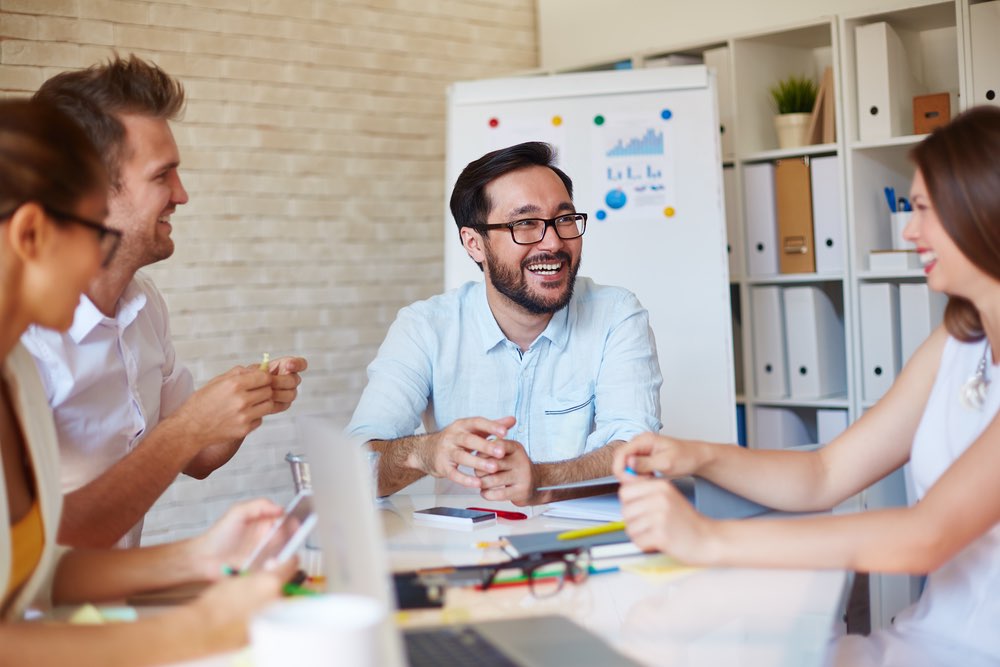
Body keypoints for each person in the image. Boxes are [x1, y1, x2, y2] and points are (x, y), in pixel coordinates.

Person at [613, 106, 1000, 666]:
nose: (909, 229)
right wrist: (697, 456)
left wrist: (708, 540)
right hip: (921, 641)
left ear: (983, 207)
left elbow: (928, 536)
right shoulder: (958, 345)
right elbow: (825, 474)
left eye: (921, 208)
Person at [0, 97, 295, 664]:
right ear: (32, 234)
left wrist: (201, 556)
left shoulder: (11, 371)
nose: (100, 265)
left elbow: (31, 570)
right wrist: (199, 629)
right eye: (95, 236)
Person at [22, 55, 308, 549]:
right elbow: (36, 548)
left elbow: (197, 458)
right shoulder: (20, 335)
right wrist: (191, 425)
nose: (182, 195)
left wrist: (241, 403)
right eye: (162, 176)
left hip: (107, 604)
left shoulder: (143, 303)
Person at [348, 141, 662, 505]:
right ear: (474, 244)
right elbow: (353, 467)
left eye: (564, 219)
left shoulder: (616, 314)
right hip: (462, 553)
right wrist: (424, 452)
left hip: (582, 549)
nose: (554, 242)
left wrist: (542, 480)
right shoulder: (425, 327)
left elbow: (638, 451)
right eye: (525, 224)